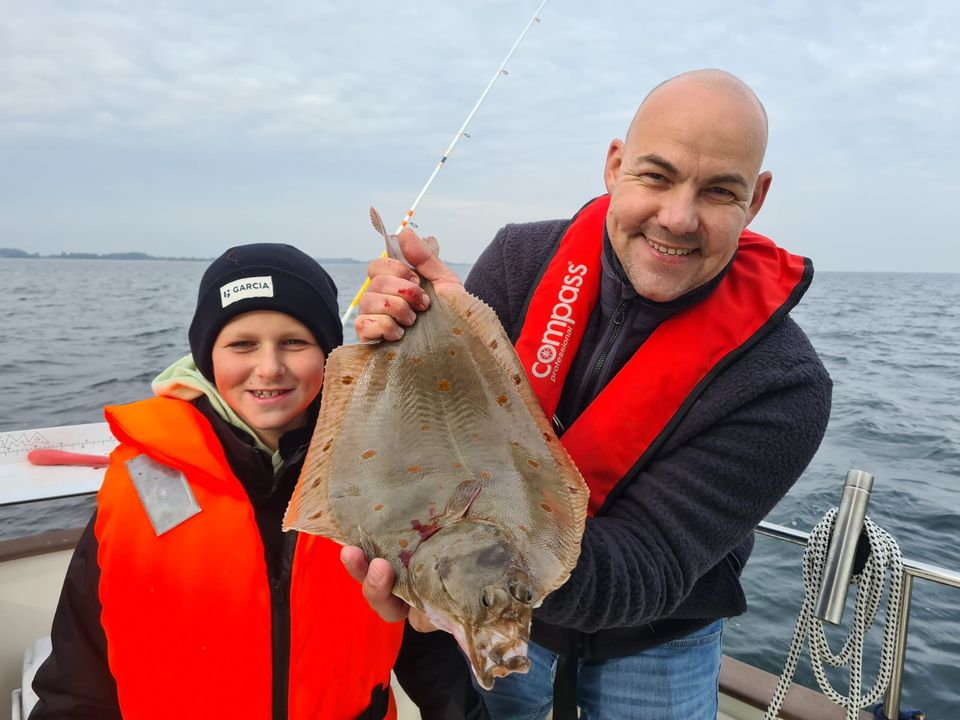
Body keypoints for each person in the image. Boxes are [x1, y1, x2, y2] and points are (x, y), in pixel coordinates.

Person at [342, 68, 833, 719]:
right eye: (656, 176)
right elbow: (420, 444)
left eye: (718, 191)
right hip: (493, 604)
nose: (678, 217)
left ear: (758, 198)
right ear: (614, 165)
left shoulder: (784, 386)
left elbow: (646, 565)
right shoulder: (520, 261)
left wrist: (458, 581)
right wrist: (405, 343)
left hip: (660, 638)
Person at [29, 244, 418, 719]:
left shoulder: (385, 472)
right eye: (242, 344)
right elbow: (78, 668)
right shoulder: (139, 479)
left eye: (294, 342)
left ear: (328, 354)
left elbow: (429, 645)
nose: (269, 367)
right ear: (206, 355)